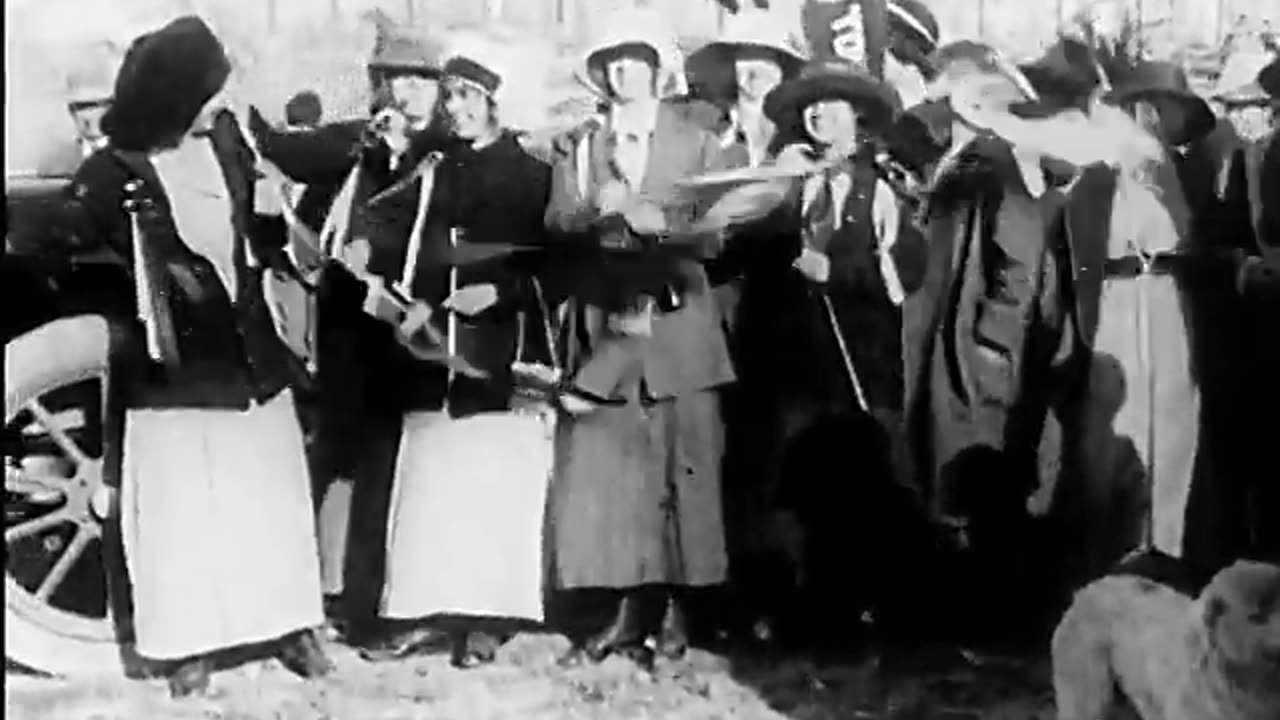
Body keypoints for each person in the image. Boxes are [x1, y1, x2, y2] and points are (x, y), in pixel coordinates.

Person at [62, 16, 330, 697]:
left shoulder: (231, 145)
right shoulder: (110, 172)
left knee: (266, 496)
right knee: (186, 507)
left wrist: (275, 212)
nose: (220, 102)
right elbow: (69, 243)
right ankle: (187, 644)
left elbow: (269, 228)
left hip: (249, 354)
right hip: (173, 367)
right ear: (176, 96)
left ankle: (289, 623)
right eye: (209, 90)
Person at [543, 6, 736, 668]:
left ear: (658, 71)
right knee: (615, 473)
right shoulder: (583, 144)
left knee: (681, 471)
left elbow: (720, 231)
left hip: (678, 324)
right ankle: (625, 610)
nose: (624, 73)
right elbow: (555, 220)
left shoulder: (698, 139)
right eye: (612, 63)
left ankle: (681, 613)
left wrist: (664, 226)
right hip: (609, 326)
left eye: (636, 61)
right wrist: (588, 211)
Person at [356, 48, 558, 668]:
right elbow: (397, 235)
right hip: (427, 350)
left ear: (495, 101)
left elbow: (555, 260)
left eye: (469, 97)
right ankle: (426, 613)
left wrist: (500, 291)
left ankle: (488, 620)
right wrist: (391, 279)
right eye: (450, 98)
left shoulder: (532, 174)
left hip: (498, 344)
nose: (457, 109)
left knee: (494, 486)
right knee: (430, 489)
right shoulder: (432, 166)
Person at [717, 56, 927, 650]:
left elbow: (905, 268)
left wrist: (834, 269)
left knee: (861, 483)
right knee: (789, 485)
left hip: (856, 364)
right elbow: (733, 251)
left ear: (856, 117)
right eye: (809, 108)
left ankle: (868, 610)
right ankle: (791, 610)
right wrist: (770, 193)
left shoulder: (882, 186)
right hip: (786, 361)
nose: (817, 116)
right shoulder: (781, 180)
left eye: (830, 106)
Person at [252, 26, 451, 646]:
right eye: (397, 79)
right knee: (327, 452)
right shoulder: (356, 141)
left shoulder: (445, 149)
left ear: (438, 89)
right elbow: (291, 155)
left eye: (421, 80)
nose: (409, 92)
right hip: (344, 322)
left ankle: (369, 604)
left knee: (385, 466)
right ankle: (288, 594)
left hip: (406, 324)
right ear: (380, 84)